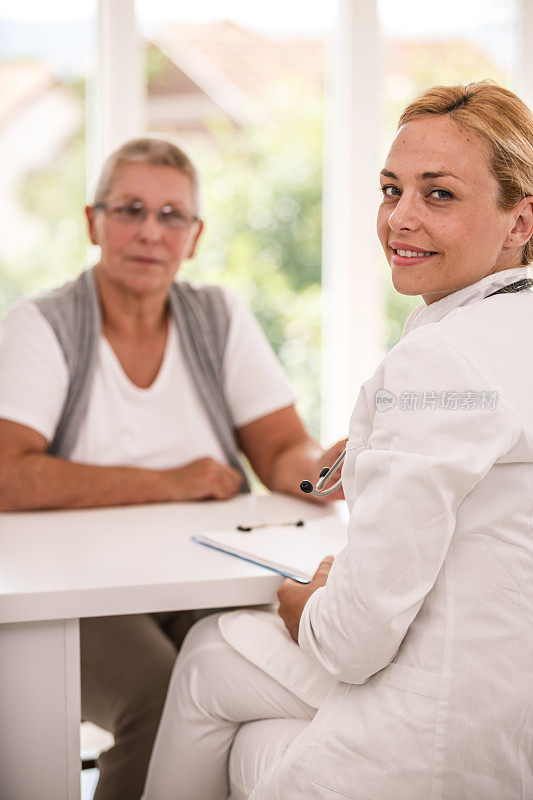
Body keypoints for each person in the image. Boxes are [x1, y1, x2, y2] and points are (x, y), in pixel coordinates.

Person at [143, 81, 533, 800]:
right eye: (391, 190)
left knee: (218, 671)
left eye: (437, 195)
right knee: (227, 688)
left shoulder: (439, 362)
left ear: (518, 221)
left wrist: (308, 606)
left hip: (436, 748)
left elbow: (354, 642)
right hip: (511, 724)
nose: (399, 220)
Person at [0, 137, 344, 800]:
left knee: (257, 669)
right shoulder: (39, 326)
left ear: (195, 234)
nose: (150, 232)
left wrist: (325, 473)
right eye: (130, 209)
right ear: (92, 221)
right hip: (79, 596)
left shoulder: (217, 317)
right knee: (160, 693)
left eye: (171, 215)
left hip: (194, 581)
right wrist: (169, 483)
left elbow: (279, 449)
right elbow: (8, 475)